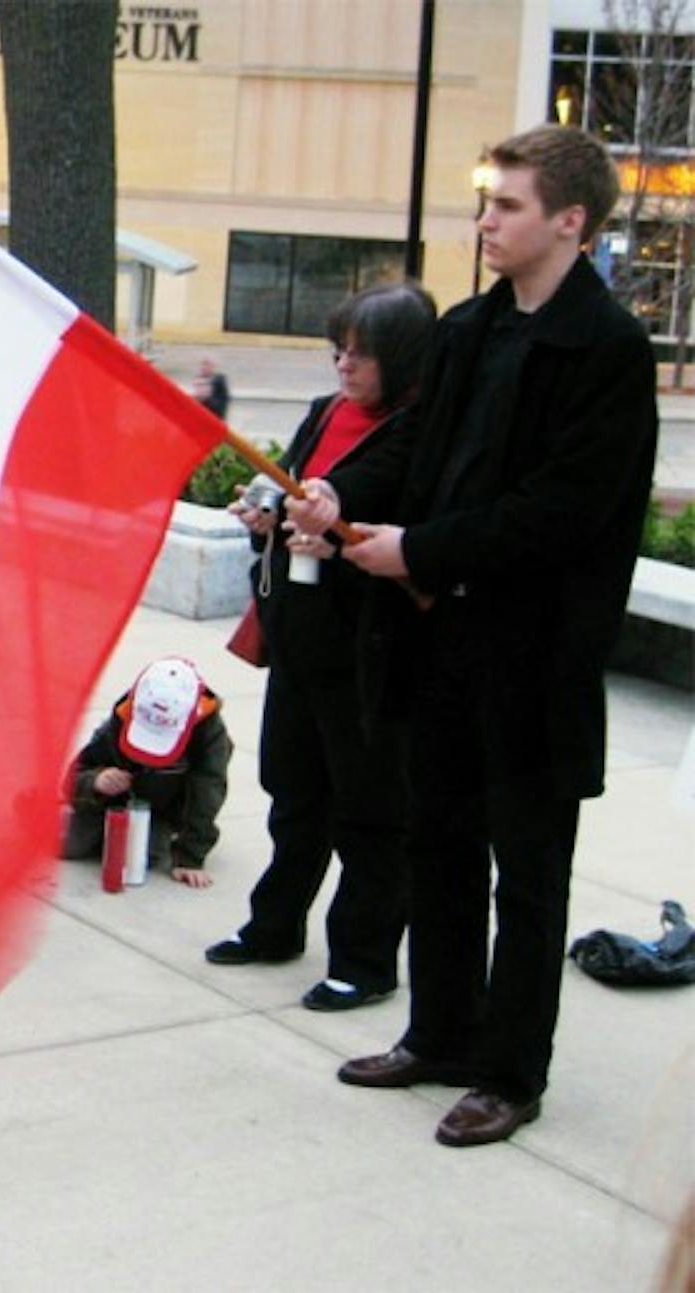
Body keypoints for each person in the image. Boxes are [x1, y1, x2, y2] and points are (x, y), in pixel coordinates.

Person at [290, 125, 658, 1147]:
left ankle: (508, 1072)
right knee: (436, 846)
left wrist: (419, 551)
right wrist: (338, 490)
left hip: (532, 659)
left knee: (526, 877)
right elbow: (411, 443)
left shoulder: (609, 352)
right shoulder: (467, 329)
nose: (483, 220)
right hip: (437, 647)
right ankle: (438, 1035)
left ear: (569, 221)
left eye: (504, 205)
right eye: (484, 202)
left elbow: (560, 511)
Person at [203, 283, 436, 1012]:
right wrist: (263, 512)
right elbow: (297, 485)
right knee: (293, 791)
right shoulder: (324, 411)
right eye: (340, 347)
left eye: (362, 352)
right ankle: (275, 925)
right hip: (299, 632)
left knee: (368, 809)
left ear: (400, 358)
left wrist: (329, 517)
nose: (345, 363)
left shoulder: (420, 426)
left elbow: (365, 496)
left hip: (368, 646)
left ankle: (364, 960)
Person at [61, 657, 232, 888]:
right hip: (111, 804)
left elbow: (208, 792)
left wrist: (190, 857)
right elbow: (77, 772)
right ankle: (47, 813)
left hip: (160, 812)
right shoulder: (122, 715)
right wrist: (96, 782)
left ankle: (116, 835)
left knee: (145, 854)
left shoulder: (209, 733)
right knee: (67, 843)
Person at [193, 356, 231, 421]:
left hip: (215, 418)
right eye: (203, 366)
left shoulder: (219, 380)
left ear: (213, 367)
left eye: (207, 365)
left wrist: (206, 397)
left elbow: (221, 405)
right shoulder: (199, 379)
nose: (204, 368)